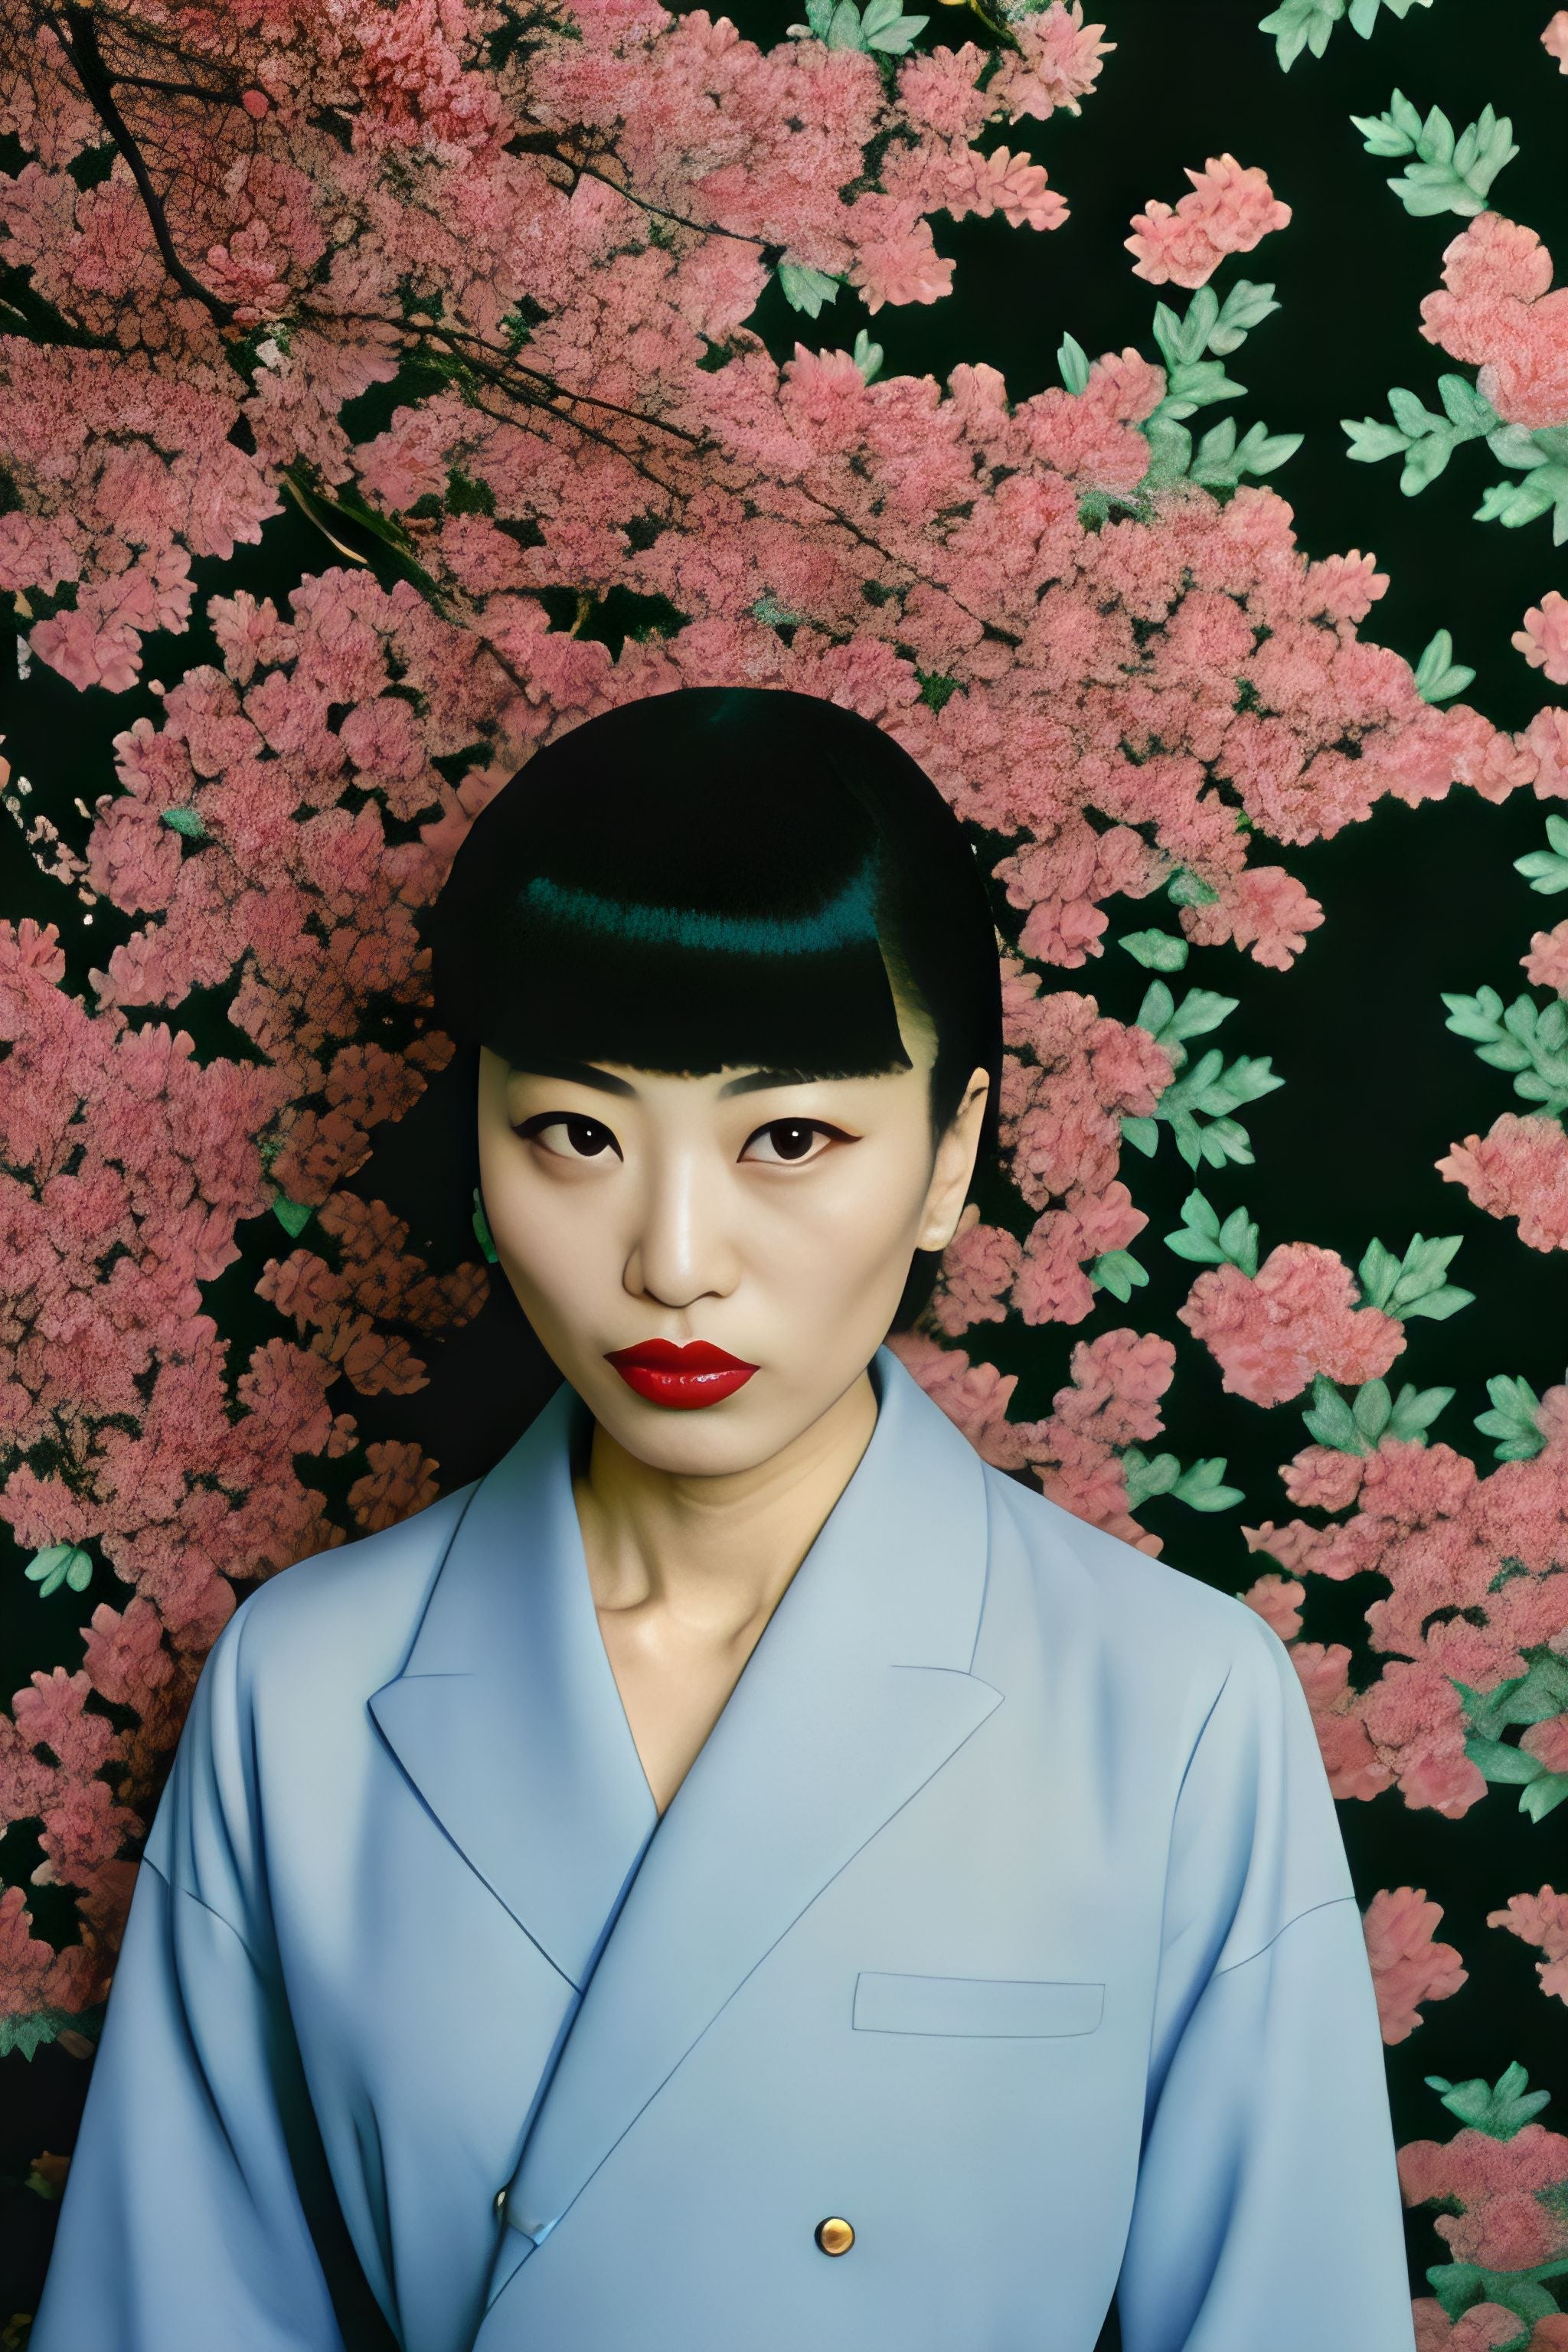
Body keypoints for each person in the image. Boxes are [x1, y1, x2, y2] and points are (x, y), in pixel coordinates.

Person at [29, 686, 1417, 2352]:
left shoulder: (1176, 1702)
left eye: (789, 1136)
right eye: (576, 1133)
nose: (673, 1260)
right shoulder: (304, 1688)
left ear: (949, 1156)